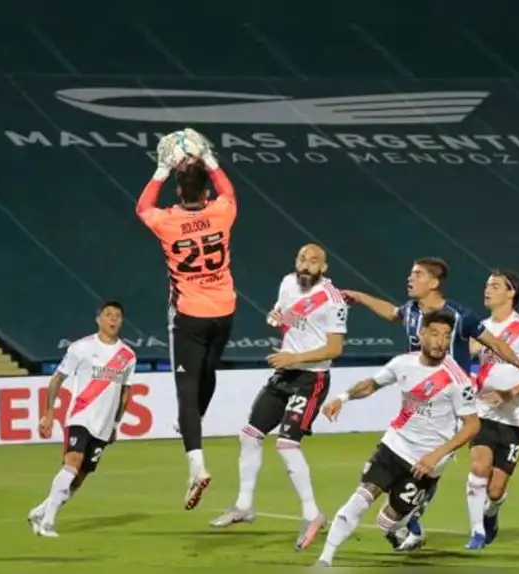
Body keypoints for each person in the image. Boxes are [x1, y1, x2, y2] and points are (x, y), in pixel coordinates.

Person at [341, 257, 519, 551]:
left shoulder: (460, 316)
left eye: (417, 274)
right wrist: (360, 296)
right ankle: (406, 519)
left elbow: (493, 342)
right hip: (418, 400)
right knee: (405, 460)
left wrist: (517, 361)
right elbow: (391, 313)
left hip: (450, 407)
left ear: (433, 282)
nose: (410, 279)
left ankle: (408, 519)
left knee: (430, 466)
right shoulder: (411, 311)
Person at [313, 309, 481, 567]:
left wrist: (437, 455)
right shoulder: (403, 363)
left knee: (387, 521)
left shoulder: (458, 380)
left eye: (447, 336)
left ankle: (407, 517)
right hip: (395, 445)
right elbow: (373, 383)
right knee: (362, 497)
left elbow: (472, 425)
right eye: (435, 334)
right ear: (421, 334)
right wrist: (342, 398)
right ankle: (325, 560)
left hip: (428, 461)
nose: (440, 342)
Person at [211, 244, 345, 551]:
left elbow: (335, 348)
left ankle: (312, 514)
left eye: (314, 261)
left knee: (287, 444)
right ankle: (244, 505)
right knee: (249, 435)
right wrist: (278, 317)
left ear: (324, 268)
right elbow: (284, 315)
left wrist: (293, 357)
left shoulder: (332, 299)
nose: (306, 265)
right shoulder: (287, 283)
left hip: (311, 378)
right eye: (302, 259)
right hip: (285, 373)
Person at [136, 129, 237, 509]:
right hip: (224, 310)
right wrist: (209, 160)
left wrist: (162, 170)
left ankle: (197, 466)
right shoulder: (221, 212)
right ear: (205, 194)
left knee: (186, 391)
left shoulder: (168, 222)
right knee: (209, 373)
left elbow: (142, 207)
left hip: (190, 314)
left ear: (179, 192)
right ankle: (194, 419)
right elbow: (229, 192)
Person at [28, 301, 137, 537]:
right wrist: (48, 413)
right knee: (73, 461)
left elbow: (125, 393)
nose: (113, 319)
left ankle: (39, 512)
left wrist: (115, 425)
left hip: (104, 425)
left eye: (117, 316)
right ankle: (48, 523)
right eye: (108, 315)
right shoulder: (81, 348)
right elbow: (58, 379)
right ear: (99, 319)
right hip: (80, 416)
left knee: (79, 478)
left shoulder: (127, 355)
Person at [466, 270, 519, 549]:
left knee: (495, 489)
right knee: (479, 466)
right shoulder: (480, 328)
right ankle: (477, 531)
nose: (487, 290)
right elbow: (466, 358)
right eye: (486, 285)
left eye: (495, 286)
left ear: (511, 292)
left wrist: (510, 393)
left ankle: (491, 512)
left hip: (516, 417)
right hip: (482, 410)